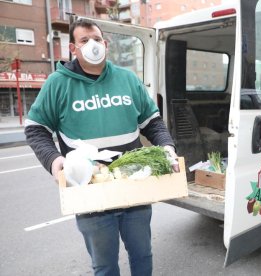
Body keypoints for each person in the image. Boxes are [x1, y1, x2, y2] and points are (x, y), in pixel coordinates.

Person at [24, 18, 178, 276]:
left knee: (143, 255)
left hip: (134, 187)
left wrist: (166, 147)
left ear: (106, 45)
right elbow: (35, 128)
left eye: (97, 39)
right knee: (105, 266)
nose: (92, 45)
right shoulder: (58, 83)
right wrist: (53, 160)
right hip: (89, 192)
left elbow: (153, 123)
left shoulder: (127, 79)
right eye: (84, 40)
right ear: (73, 48)